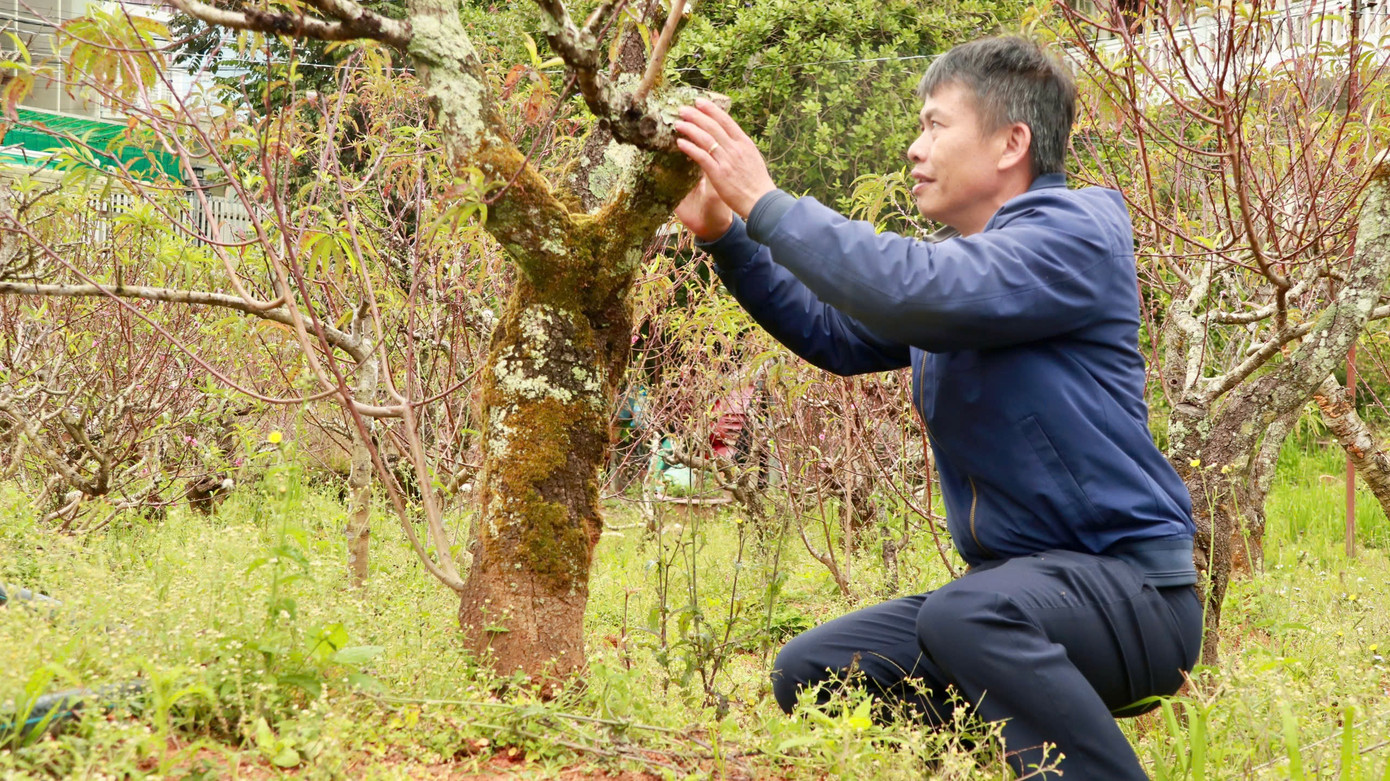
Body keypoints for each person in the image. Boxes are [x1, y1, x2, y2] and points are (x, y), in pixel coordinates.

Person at [671, 36, 1201, 779]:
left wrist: (764, 201)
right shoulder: (962, 278)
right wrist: (728, 235)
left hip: (1133, 593)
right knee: (817, 669)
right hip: (1024, 594)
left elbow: (916, 288)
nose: (915, 149)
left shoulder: (1076, 236)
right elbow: (833, 331)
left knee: (968, 614)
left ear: (1012, 142)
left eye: (934, 125)